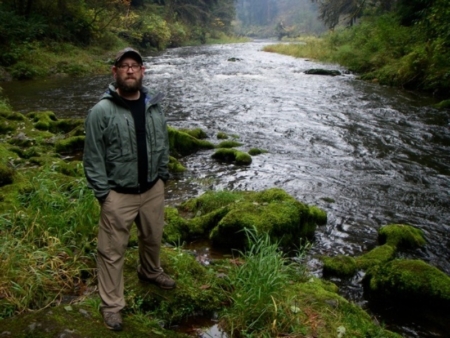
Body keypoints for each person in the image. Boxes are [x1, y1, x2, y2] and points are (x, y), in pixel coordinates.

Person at [83, 47, 175, 332]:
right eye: (124, 66)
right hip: (118, 194)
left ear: (143, 71)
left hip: (152, 189)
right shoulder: (101, 111)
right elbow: (93, 157)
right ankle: (112, 306)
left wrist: (161, 177)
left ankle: (150, 271)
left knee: (152, 237)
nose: (130, 70)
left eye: (135, 65)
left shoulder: (153, 105)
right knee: (111, 252)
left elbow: (162, 142)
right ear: (115, 72)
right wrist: (104, 194)